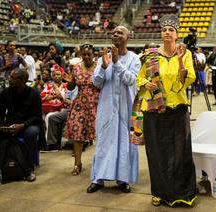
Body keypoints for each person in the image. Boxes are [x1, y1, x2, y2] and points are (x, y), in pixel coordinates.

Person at [136, 14, 197, 206]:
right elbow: (139, 79)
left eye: (171, 30)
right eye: (164, 30)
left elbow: (187, 79)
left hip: (178, 109)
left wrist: (179, 60)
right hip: (154, 111)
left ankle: (183, 193)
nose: (167, 32)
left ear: (177, 34)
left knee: (181, 152)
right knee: (156, 152)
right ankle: (159, 193)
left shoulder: (185, 54)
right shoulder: (150, 55)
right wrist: (147, 83)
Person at [87, 26, 141, 193]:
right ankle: (98, 179)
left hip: (128, 108)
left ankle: (123, 180)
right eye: (114, 32)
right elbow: (96, 82)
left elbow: (130, 80)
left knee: (126, 143)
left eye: (120, 32)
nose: (116, 34)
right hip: (107, 108)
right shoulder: (104, 58)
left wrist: (116, 62)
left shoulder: (135, 59)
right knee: (103, 142)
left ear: (128, 37)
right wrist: (103, 67)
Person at [0, 69, 42, 182]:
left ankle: (29, 168)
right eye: (10, 77)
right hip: (10, 124)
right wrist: (1, 126)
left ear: (23, 80)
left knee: (32, 133)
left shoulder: (34, 93)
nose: (9, 79)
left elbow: (36, 116)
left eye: (13, 78)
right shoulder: (5, 93)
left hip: (28, 124)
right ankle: (2, 161)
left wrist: (22, 125)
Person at [63, 44, 100, 176]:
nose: (86, 57)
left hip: (97, 105)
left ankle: (100, 166)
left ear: (93, 54)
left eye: (89, 54)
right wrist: (69, 81)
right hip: (79, 106)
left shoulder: (99, 67)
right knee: (78, 136)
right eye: (84, 54)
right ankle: (77, 164)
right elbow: (71, 87)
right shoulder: (76, 68)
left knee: (99, 136)